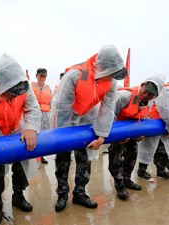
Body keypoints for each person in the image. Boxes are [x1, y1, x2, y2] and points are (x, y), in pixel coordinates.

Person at [53, 45, 127, 212]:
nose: (112, 78)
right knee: (63, 157)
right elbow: (62, 108)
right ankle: (62, 193)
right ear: (103, 67)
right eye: (111, 73)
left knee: (84, 157)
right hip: (67, 115)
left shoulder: (111, 82)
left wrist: (101, 136)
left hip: (87, 116)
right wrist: (64, 136)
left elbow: (107, 108)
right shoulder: (74, 75)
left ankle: (80, 192)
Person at [0, 54, 41, 225]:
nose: (14, 95)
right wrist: (6, 148)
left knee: (22, 167)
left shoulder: (24, 87)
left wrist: (30, 128)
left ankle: (18, 196)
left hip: (16, 130)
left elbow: (33, 108)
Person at [108, 75, 164, 200]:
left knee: (132, 153)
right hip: (116, 130)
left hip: (130, 130)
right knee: (116, 158)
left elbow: (143, 118)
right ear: (142, 85)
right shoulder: (124, 97)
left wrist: (140, 133)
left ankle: (126, 179)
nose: (146, 95)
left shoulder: (148, 103)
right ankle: (119, 184)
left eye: (151, 94)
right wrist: (116, 136)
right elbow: (109, 116)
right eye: (145, 91)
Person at [31, 68, 53, 164]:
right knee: (34, 135)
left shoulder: (48, 88)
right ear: (37, 76)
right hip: (34, 114)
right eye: (41, 76)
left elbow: (51, 103)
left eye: (44, 76)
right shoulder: (31, 86)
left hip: (45, 115)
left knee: (43, 136)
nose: (43, 78)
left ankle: (41, 156)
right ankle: (34, 157)